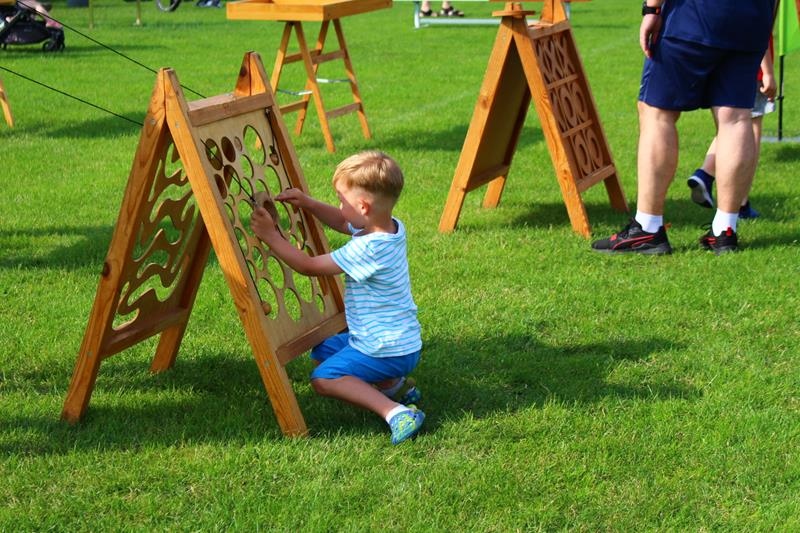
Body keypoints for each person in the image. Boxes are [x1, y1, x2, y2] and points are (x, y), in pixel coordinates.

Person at [250, 151, 425, 445]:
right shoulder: (389, 226)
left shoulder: (369, 248)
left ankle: (396, 412)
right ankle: (394, 386)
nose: (340, 207)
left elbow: (308, 266)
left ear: (363, 207)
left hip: (385, 348)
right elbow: (345, 223)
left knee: (324, 378)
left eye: (342, 201)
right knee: (324, 349)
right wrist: (309, 203)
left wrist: (271, 236)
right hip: (397, 341)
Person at [592, 0, 775, 255]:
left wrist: (651, 9)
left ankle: (647, 226)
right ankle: (725, 230)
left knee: (657, 113)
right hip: (753, 17)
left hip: (695, 13)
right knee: (736, 118)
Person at [688, 40, 776, 220]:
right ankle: (739, 201)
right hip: (752, 66)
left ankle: (705, 174)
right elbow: (760, 32)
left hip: (726, 63)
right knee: (750, 130)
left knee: (731, 126)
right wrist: (767, 72)